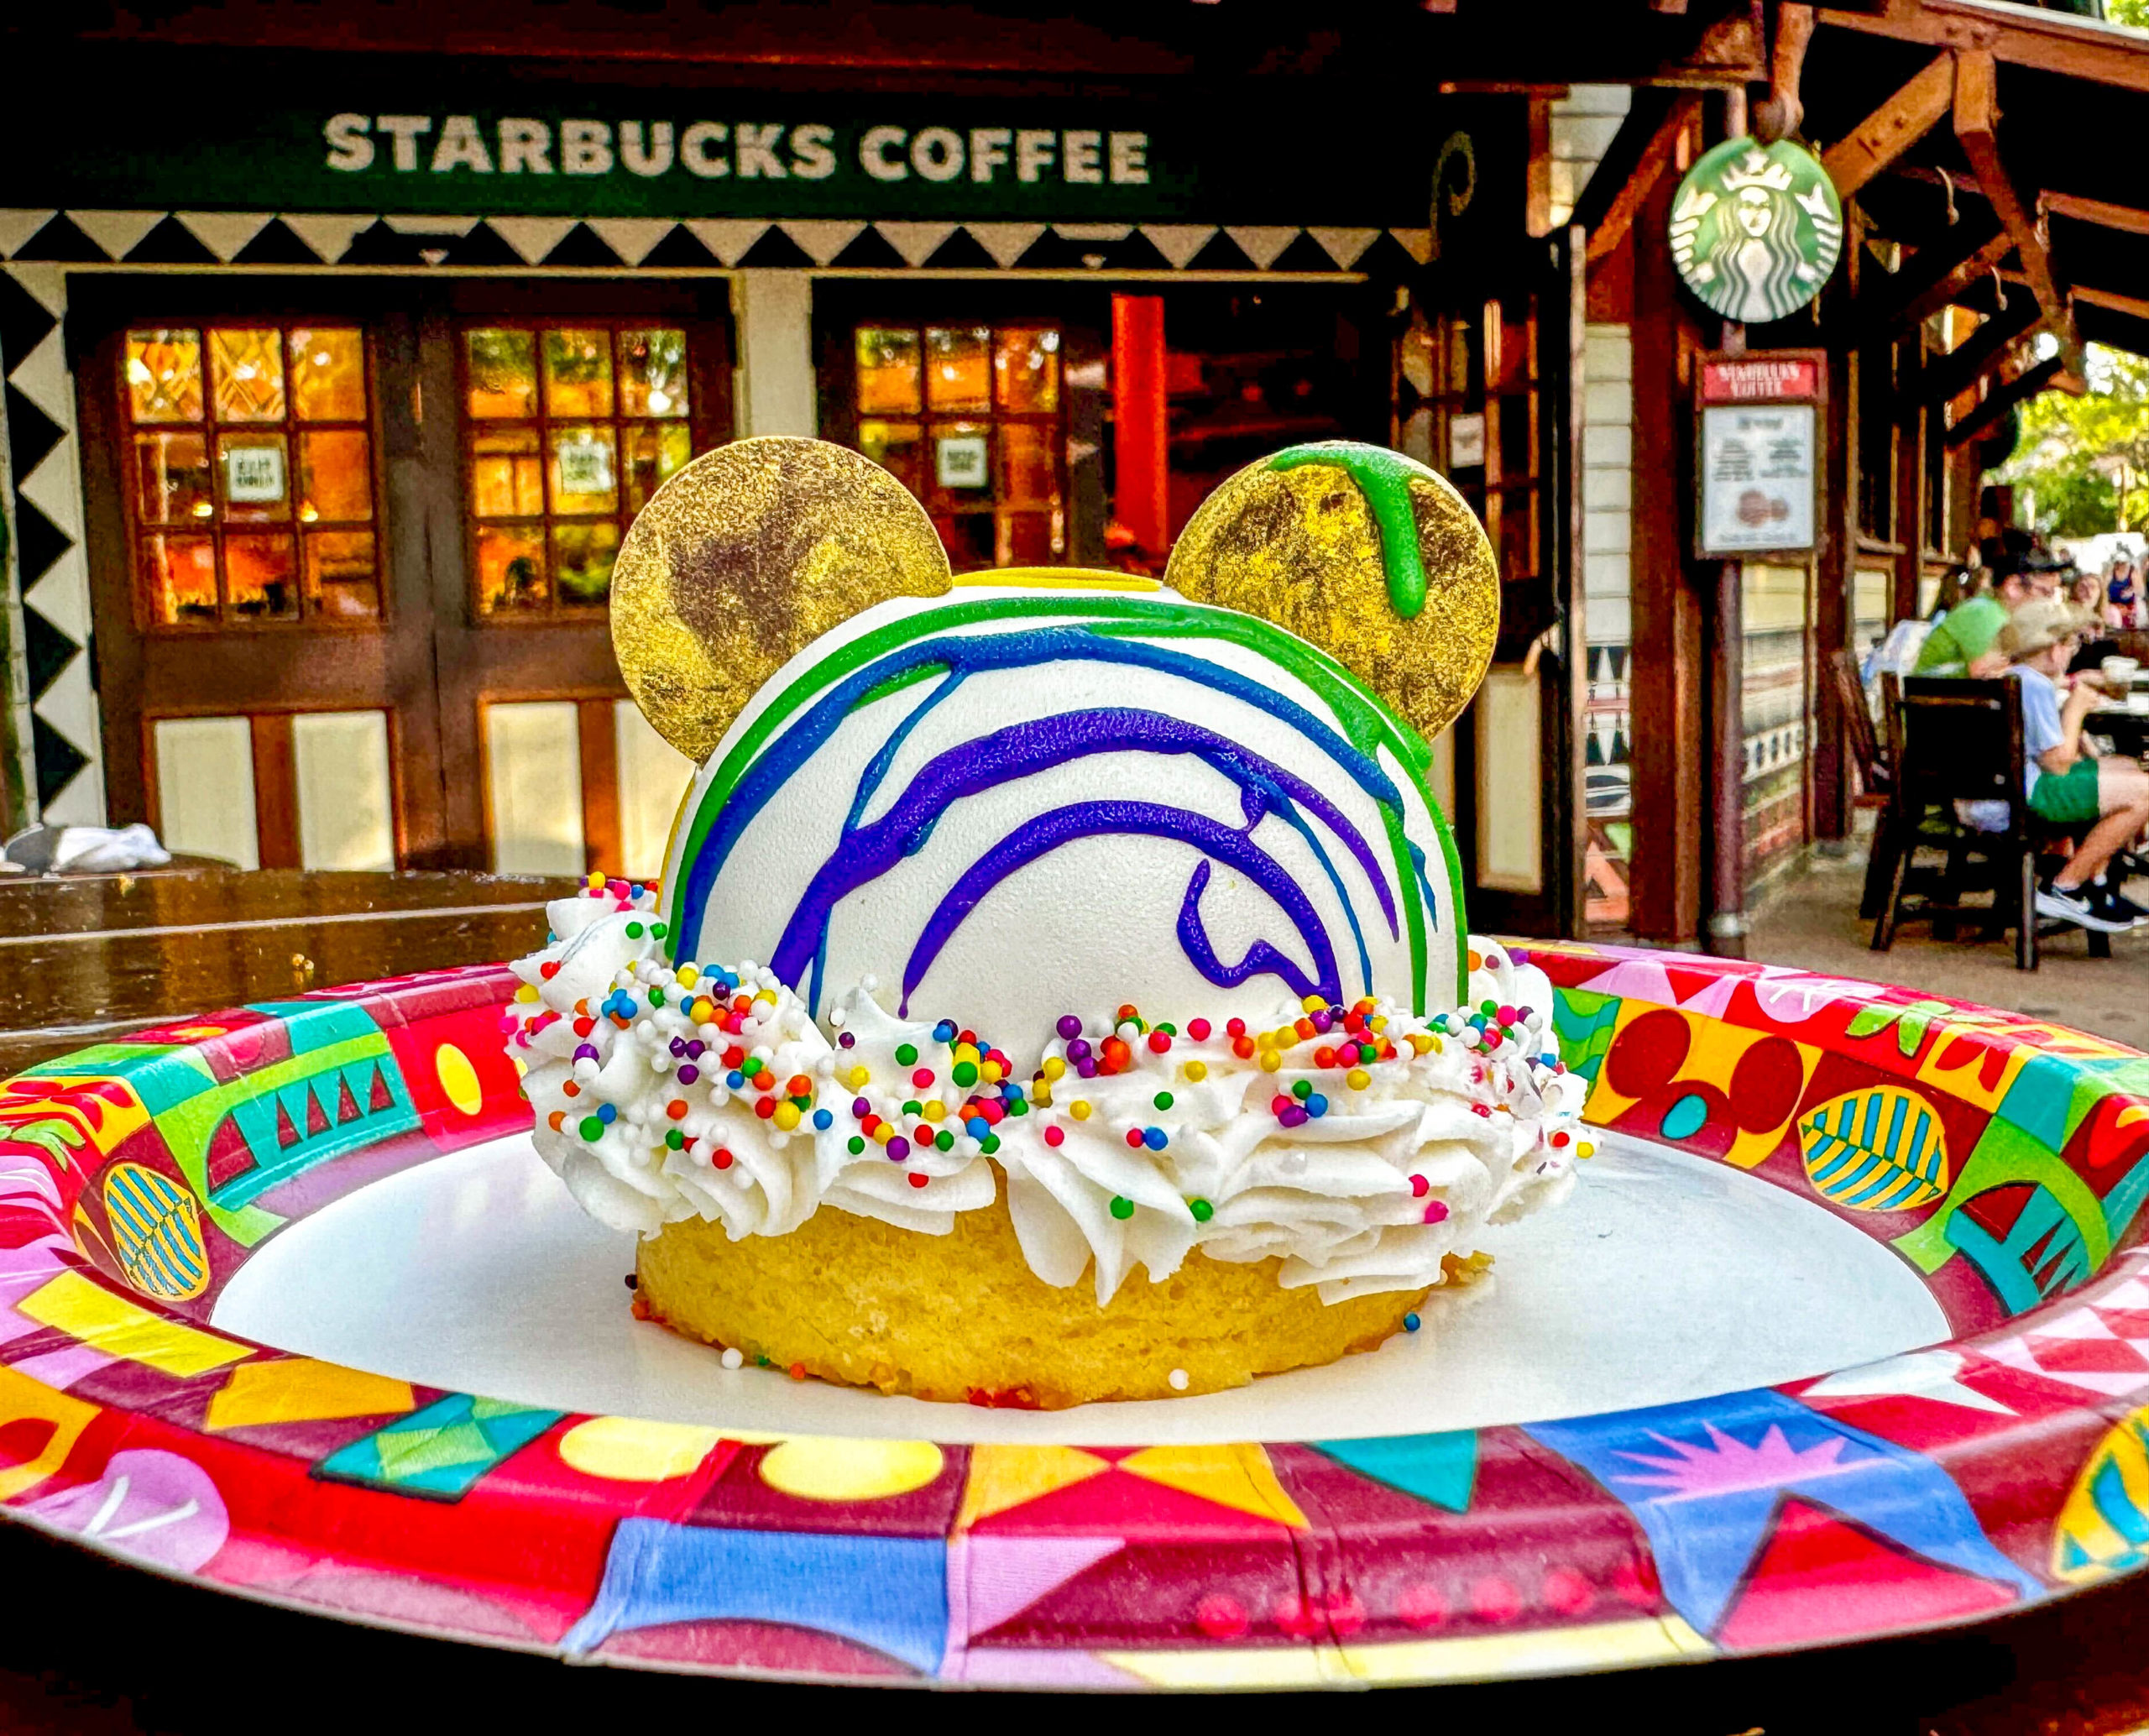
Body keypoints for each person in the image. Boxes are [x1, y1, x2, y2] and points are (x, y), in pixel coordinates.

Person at [2001, 598, 2149, 933]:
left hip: (2002, 789)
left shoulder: (2017, 677)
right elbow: (2058, 764)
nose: (2072, 652)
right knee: (2144, 792)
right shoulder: (2034, 685)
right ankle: (2064, 887)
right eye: (2071, 644)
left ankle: (2095, 885)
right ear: (2055, 649)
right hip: (2023, 795)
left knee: (2125, 768)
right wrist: (2076, 708)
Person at [1914, 556, 2061, 677]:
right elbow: (1989, 671)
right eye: (2043, 592)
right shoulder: (1984, 613)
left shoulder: (1991, 609)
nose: (2047, 602)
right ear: (2013, 587)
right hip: (1933, 702)